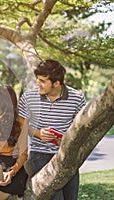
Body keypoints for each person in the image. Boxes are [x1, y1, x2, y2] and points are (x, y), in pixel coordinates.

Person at [18, 59, 86, 200]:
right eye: (38, 79)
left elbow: (81, 128)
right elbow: (20, 125)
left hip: (67, 156)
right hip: (40, 156)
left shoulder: (77, 98)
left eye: (43, 81)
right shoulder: (29, 97)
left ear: (56, 83)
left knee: (70, 197)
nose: (38, 84)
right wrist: (37, 133)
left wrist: (68, 140)